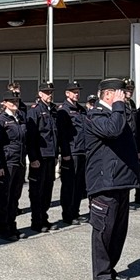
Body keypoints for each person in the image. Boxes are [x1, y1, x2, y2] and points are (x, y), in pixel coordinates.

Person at [84, 78, 140, 280]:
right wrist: (118, 106)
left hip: (121, 180)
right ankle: (101, 274)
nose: (124, 97)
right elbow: (112, 131)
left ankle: (110, 268)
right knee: (104, 229)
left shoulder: (119, 113)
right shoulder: (95, 115)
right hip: (104, 182)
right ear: (108, 94)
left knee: (118, 230)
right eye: (120, 93)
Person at [0, 93, 27, 241]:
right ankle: (3, 229)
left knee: (15, 196)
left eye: (16, 100)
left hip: (19, 161)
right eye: (11, 101)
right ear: (4, 103)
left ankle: (12, 225)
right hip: (7, 162)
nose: (14, 103)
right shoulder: (0, 120)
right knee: (4, 196)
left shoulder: (20, 117)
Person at [26, 82, 59, 231]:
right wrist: (33, 158)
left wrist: (56, 154)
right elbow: (31, 137)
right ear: (40, 94)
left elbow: (54, 135)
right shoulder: (35, 111)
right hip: (40, 157)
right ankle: (36, 221)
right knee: (37, 190)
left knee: (47, 189)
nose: (49, 95)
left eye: (51, 92)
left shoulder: (52, 110)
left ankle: (44, 218)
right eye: (46, 92)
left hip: (50, 156)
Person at [56, 80, 88, 225]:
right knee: (69, 184)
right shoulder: (64, 111)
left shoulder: (81, 109)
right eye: (74, 92)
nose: (77, 94)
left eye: (78, 91)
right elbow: (62, 134)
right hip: (71, 152)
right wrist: (65, 153)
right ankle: (67, 214)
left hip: (82, 151)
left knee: (79, 184)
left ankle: (75, 211)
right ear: (67, 93)